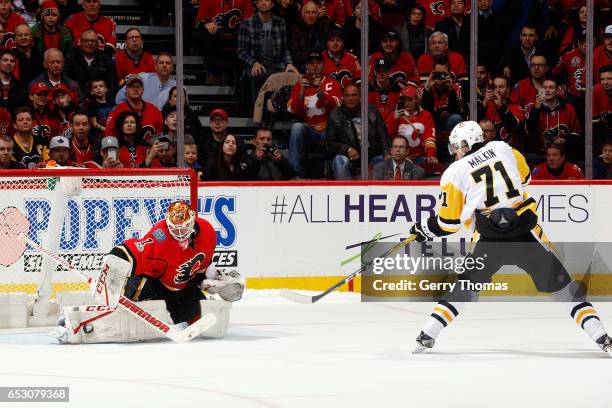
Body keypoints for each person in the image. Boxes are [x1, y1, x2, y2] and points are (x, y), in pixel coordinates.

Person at [408, 120, 612, 356]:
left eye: (456, 146)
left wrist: (424, 228)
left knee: (464, 287)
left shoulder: (455, 172)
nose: (454, 151)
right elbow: (524, 177)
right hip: (524, 235)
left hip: (489, 240)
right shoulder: (502, 148)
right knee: (565, 289)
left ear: (464, 145)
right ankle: (601, 336)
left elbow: (449, 223)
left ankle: (427, 334)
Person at [105, 200, 244, 326]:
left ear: (192, 222)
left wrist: (216, 281)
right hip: (152, 284)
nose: (179, 234)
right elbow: (133, 251)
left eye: (183, 229)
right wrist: (117, 257)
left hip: (180, 290)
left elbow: (201, 268)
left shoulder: (207, 233)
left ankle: (176, 313)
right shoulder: (160, 237)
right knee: (134, 289)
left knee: (206, 320)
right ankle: (115, 313)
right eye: (174, 229)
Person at [326, 84, 389, 179]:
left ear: (360, 97)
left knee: (387, 162)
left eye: (354, 95)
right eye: (347, 96)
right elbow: (330, 142)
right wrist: (347, 149)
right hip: (349, 157)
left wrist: (386, 153)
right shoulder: (335, 114)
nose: (350, 98)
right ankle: (346, 192)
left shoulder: (372, 111)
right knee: (340, 161)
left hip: (371, 156)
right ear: (343, 98)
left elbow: (383, 135)